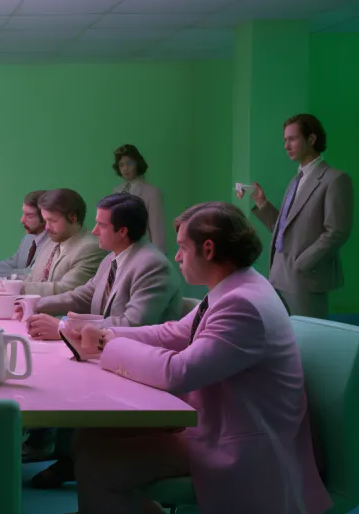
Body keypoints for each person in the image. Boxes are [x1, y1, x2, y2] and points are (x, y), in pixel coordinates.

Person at [65, 202, 330, 514]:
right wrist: (103, 333)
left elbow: (179, 371)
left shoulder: (243, 305)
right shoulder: (238, 286)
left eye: (181, 247)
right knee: (89, 438)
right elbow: (173, 332)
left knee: (99, 464)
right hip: (220, 424)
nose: (176, 257)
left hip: (238, 443)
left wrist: (106, 345)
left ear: (207, 249)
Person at [21, 193, 182, 489]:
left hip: (137, 370)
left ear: (122, 231)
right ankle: (70, 456)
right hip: (104, 353)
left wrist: (64, 328)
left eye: (101, 225)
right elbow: (84, 294)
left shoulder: (151, 265)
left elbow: (133, 325)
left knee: (56, 374)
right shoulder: (113, 257)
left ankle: (74, 458)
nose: (93, 230)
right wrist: (35, 302)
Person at [239, 113, 353, 319]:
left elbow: (337, 231)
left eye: (292, 139)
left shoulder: (335, 180)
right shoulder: (295, 181)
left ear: (311, 139)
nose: (286, 145)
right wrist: (261, 203)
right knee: (283, 341)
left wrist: (302, 263)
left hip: (306, 279)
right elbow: (285, 229)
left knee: (306, 344)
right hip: (278, 276)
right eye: (285, 140)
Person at [112, 144, 166, 253]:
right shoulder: (117, 191)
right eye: (121, 165)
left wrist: (159, 257)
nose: (125, 168)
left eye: (129, 163)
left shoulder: (151, 192)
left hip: (143, 250)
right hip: (121, 250)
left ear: (138, 163)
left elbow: (157, 230)